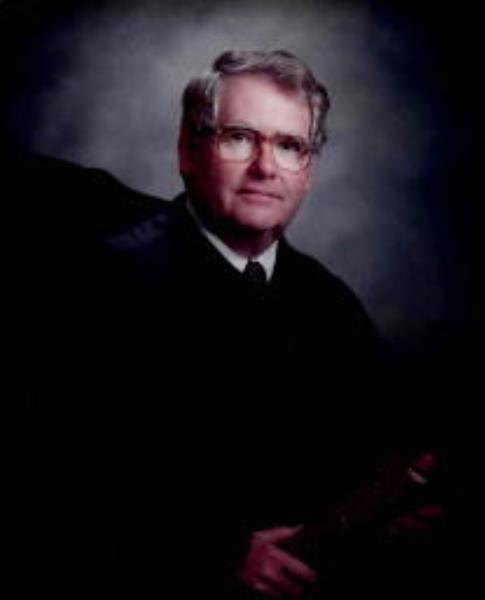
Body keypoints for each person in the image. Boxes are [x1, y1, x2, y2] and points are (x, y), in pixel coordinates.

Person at [12, 50, 450, 598]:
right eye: (239, 138)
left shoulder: (331, 305)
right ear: (188, 151)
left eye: (289, 146)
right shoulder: (97, 281)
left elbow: (356, 459)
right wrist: (214, 552)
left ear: (308, 172)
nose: (266, 167)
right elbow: (49, 475)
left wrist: (379, 513)